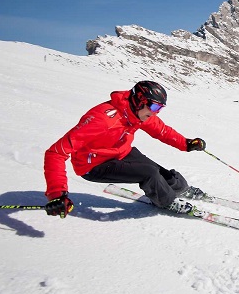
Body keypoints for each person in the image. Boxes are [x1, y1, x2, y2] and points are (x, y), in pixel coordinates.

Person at [43, 81, 207, 218]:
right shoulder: (102, 119)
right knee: (149, 173)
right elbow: (56, 153)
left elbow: (162, 131)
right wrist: (57, 194)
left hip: (120, 152)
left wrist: (187, 143)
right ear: (139, 101)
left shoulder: (138, 113)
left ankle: (178, 188)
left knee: (158, 171)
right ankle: (167, 201)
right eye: (154, 107)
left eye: (159, 109)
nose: (155, 113)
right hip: (93, 165)